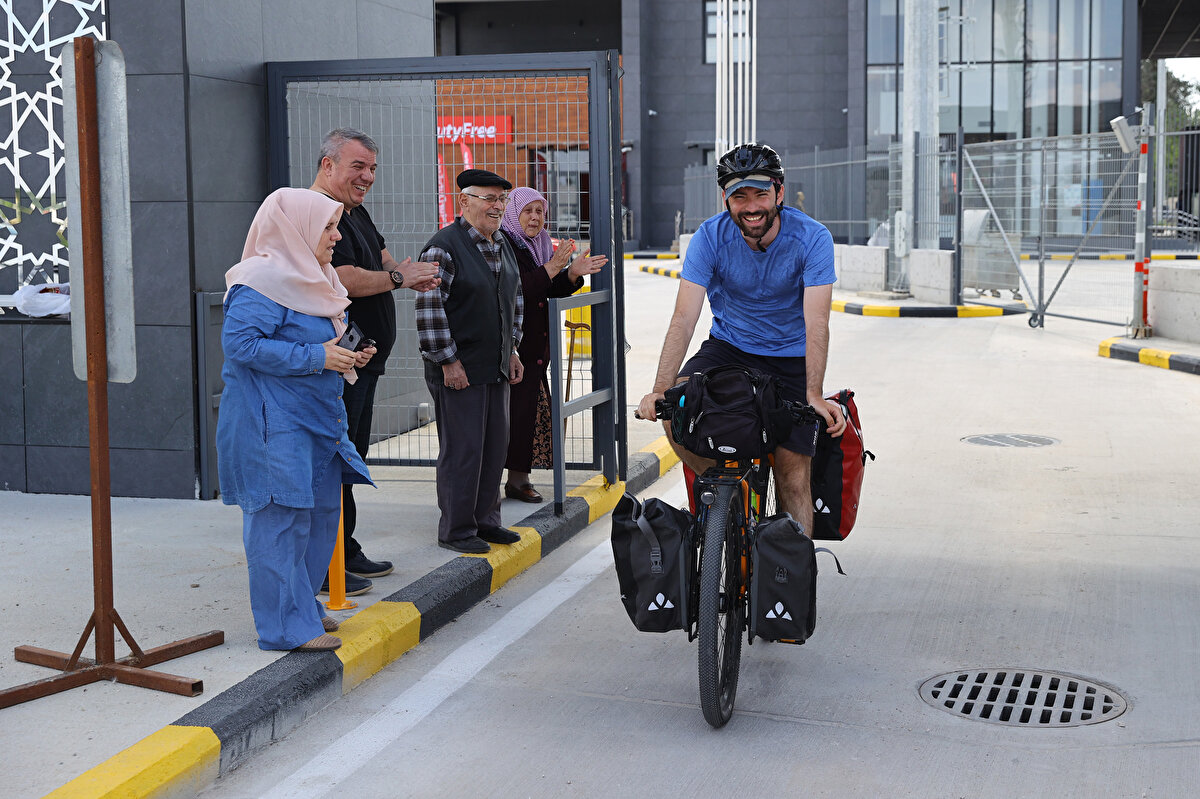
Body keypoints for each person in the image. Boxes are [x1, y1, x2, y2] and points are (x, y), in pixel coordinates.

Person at [637, 142, 847, 538]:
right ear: (726, 199)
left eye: (760, 194)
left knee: (792, 471)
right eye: (739, 196)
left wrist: (814, 393)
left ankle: (793, 572)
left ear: (779, 193)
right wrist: (660, 388)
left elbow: (817, 321)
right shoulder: (710, 237)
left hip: (791, 357)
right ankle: (732, 494)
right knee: (675, 411)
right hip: (729, 349)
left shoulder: (812, 239)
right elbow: (684, 317)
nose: (751, 206)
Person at [216, 188, 374, 652]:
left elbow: (324, 340)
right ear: (295, 229)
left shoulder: (317, 277)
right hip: (272, 425)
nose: (336, 236)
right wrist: (317, 357)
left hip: (316, 421)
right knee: (279, 523)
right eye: (327, 227)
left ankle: (303, 608)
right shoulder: (260, 280)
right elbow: (240, 346)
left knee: (322, 517)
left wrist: (346, 356)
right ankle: (284, 627)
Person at [310, 128, 441, 596]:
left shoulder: (353, 210)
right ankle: (327, 563)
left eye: (372, 169)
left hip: (361, 362)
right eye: (357, 167)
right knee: (332, 462)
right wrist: (399, 277)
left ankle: (345, 548)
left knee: (350, 459)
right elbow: (342, 278)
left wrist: (403, 275)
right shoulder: (320, 214)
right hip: (336, 362)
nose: (367, 177)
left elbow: (381, 256)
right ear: (328, 165)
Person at [416, 169, 525, 554]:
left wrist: (512, 349)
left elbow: (514, 301)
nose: (497, 207)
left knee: (494, 446)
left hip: (495, 363)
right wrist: (448, 361)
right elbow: (429, 309)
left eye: (502, 200)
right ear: (464, 201)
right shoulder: (443, 247)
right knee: (464, 450)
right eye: (489, 199)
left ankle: (486, 522)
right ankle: (457, 530)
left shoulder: (503, 244)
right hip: (458, 367)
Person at [498, 186, 607, 503]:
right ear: (513, 212)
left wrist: (571, 273)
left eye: (540, 212)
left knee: (527, 416)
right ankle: (498, 483)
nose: (534, 218)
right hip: (512, 346)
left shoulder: (540, 244)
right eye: (528, 211)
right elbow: (520, 289)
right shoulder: (505, 244)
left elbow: (548, 290)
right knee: (509, 417)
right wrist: (554, 267)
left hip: (535, 349)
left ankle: (518, 480)